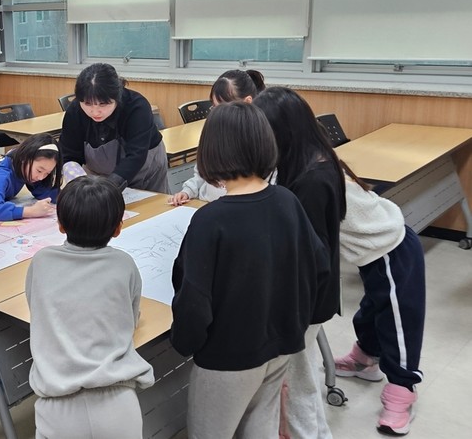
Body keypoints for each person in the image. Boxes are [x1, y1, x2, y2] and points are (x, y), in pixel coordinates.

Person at [170, 101, 329, 439]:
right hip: (280, 346)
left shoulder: (210, 220)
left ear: (211, 152)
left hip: (227, 358)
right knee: (261, 427)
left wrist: (185, 343)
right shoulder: (287, 200)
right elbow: (319, 267)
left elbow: (193, 301)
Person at [25, 175, 155, 439]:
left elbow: (37, 308)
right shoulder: (124, 264)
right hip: (118, 400)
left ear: (60, 225)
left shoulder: (41, 262)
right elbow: (130, 320)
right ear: (118, 228)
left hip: (57, 402)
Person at [253, 87, 346, 439]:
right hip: (312, 297)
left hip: (304, 301)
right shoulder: (313, 161)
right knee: (303, 378)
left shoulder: (310, 180)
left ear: (282, 131)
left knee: (294, 388)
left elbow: (309, 255)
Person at [334, 161, 425, 436]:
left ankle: (402, 389)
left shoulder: (312, 175)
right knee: (373, 309)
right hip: (373, 252)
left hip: (391, 249)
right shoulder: (309, 162)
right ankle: (365, 358)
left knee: (399, 323)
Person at [60, 63, 169, 193]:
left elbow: (136, 155)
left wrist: (110, 187)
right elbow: (69, 154)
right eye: (87, 104)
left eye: (103, 104)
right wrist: (80, 184)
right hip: (96, 176)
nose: (95, 112)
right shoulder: (75, 111)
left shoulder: (137, 107)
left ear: (117, 97)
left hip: (143, 170)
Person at [171, 69, 266, 206]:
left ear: (247, 102)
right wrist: (188, 191)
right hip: (207, 206)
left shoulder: (258, 140)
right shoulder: (214, 134)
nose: (217, 114)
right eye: (214, 107)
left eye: (224, 107)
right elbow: (202, 174)